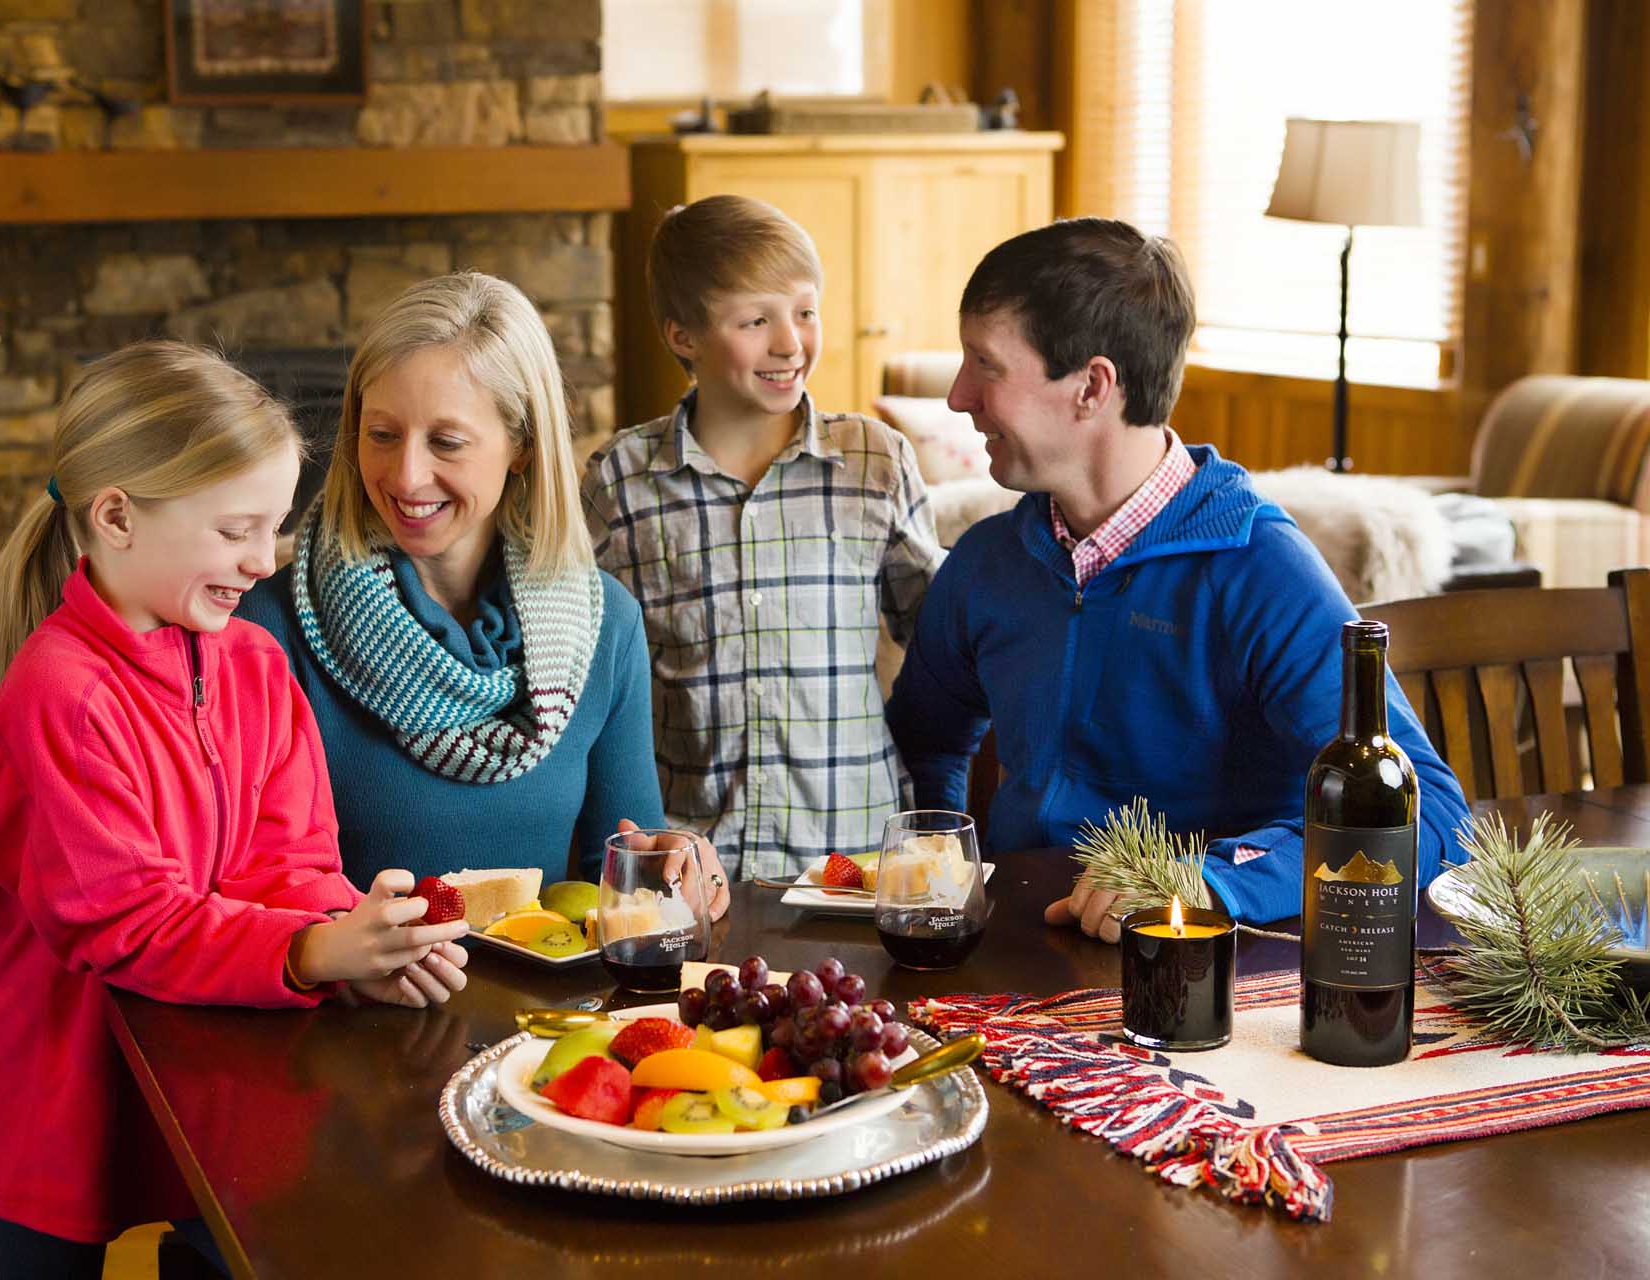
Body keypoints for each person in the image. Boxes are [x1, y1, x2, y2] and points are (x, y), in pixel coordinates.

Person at [0, 341, 471, 1278]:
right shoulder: (61, 693)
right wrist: (311, 952)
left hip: (222, 1077)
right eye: (236, 531)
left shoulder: (256, 666)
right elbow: (125, 920)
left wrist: (350, 945)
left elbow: (293, 858)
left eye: (273, 529)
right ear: (115, 517)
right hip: (58, 1098)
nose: (264, 561)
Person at [883, 217, 1470, 934]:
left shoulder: (1261, 571)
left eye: (987, 366)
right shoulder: (986, 561)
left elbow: (1433, 813)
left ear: (1092, 387)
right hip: (1016, 956)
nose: (957, 395)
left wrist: (1206, 884)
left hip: (1204, 968)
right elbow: (926, 743)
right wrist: (940, 869)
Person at [240, 273, 731, 917]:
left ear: (522, 446)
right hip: (341, 1014)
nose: (407, 475)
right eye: (382, 434)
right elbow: (244, 891)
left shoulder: (606, 625)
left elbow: (617, 872)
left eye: (446, 441)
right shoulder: (267, 628)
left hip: (540, 1016)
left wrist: (675, 872)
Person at [582, 195, 945, 880]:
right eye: (755, 320)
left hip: (856, 866)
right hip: (689, 870)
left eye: (805, 312)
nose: (789, 342)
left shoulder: (875, 462)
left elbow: (942, 634)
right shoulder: (622, 480)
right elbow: (589, 679)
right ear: (683, 336)